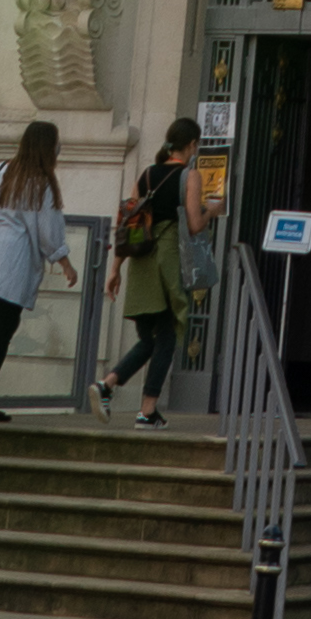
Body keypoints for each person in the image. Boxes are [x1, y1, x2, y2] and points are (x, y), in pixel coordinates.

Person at [0, 119, 73, 415]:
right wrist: (66, 264)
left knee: (4, 323)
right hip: (12, 262)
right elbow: (49, 232)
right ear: (49, 147)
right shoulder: (40, 183)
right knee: (6, 326)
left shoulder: (2, 169)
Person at [107, 127, 197, 423]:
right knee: (167, 336)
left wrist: (115, 267)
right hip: (165, 262)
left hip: (140, 262)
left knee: (149, 338)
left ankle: (107, 386)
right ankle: (145, 409)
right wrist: (212, 210)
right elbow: (195, 226)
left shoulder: (145, 174)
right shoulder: (189, 176)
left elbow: (127, 224)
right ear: (192, 144)